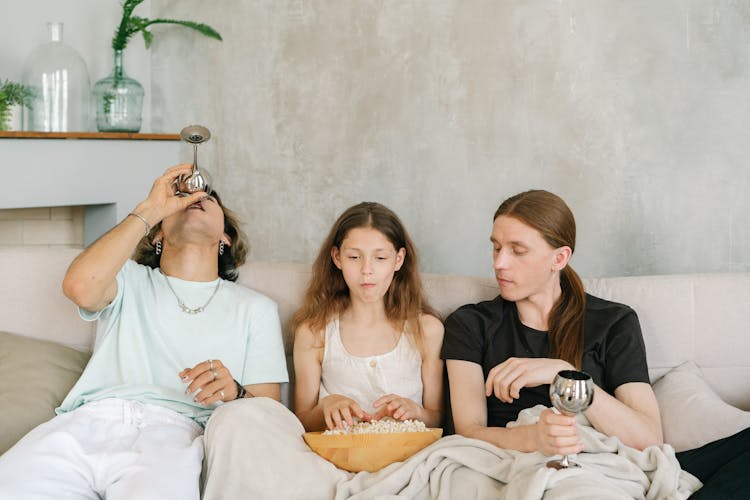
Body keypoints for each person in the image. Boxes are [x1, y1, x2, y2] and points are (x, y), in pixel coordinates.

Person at [0, 164, 288, 500]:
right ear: (157, 235)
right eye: (181, 198)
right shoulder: (128, 279)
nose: (195, 199)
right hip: (84, 425)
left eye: (208, 198)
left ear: (225, 236)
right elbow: (79, 286)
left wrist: (235, 393)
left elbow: (270, 414)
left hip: (173, 435)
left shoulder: (256, 308)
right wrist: (150, 209)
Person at [441, 189, 749, 498]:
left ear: (559, 258)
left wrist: (562, 373)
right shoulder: (470, 324)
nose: (500, 263)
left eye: (517, 250)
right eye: (496, 248)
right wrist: (533, 438)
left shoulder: (613, 322)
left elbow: (648, 438)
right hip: (529, 464)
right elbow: (469, 431)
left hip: (605, 461)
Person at [202, 201, 444, 500]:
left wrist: (416, 412)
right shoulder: (314, 332)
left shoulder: (427, 330)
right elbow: (302, 418)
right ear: (337, 257)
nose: (367, 271)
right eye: (354, 257)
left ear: (399, 259)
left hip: (408, 461)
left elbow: (437, 418)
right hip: (333, 464)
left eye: (380, 258)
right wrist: (326, 408)